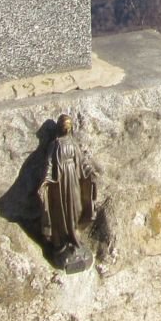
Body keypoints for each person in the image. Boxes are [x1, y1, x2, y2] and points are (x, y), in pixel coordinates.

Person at [41, 113, 97, 271]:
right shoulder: (55, 145)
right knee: (61, 212)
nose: (66, 129)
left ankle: (75, 238)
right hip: (59, 183)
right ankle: (63, 242)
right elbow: (49, 165)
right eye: (64, 127)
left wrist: (90, 173)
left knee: (76, 208)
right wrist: (45, 181)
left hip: (73, 179)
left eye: (68, 127)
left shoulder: (73, 144)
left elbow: (81, 161)